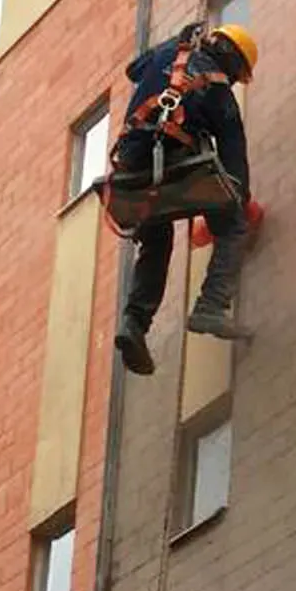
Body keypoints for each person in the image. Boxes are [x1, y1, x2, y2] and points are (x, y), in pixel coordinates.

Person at [112, 21, 259, 376]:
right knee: (233, 224)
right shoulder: (219, 90)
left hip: (132, 166)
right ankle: (210, 306)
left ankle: (134, 322)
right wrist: (240, 202)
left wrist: (176, 40)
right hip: (178, 167)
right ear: (234, 64)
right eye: (238, 74)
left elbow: (133, 70)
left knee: (157, 240)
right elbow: (234, 153)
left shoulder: (167, 54)